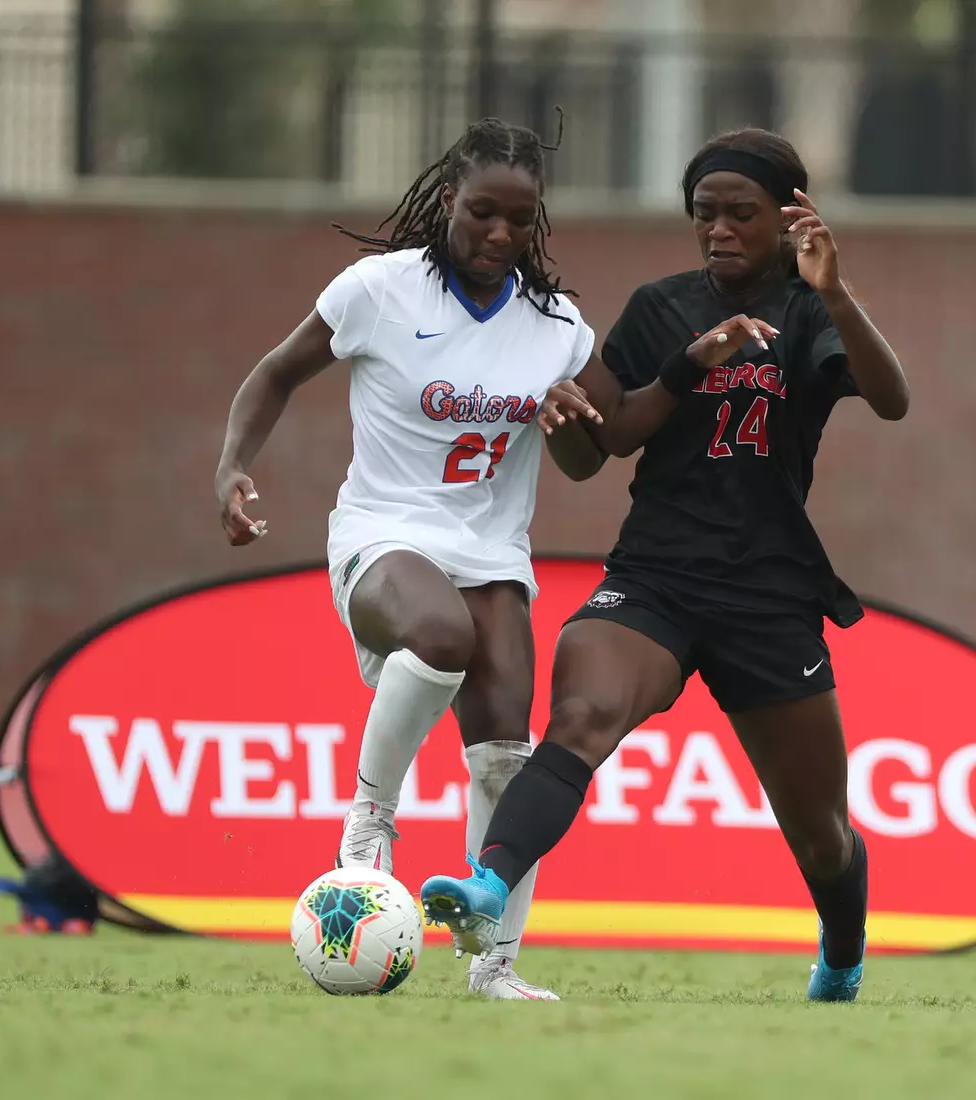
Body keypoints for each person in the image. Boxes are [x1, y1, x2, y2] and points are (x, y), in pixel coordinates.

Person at [417, 128, 911, 1003]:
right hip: (655, 575)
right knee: (582, 715)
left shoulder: (808, 310)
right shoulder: (660, 308)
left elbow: (892, 398)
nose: (718, 229)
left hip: (769, 591)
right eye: (704, 214)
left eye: (740, 214)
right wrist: (564, 416)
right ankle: (487, 884)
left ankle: (840, 956)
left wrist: (837, 295)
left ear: (791, 217)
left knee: (822, 835)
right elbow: (599, 445)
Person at [213, 116, 603, 1002]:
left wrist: (571, 420)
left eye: (518, 219)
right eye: (480, 214)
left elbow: (587, 460)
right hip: (382, 535)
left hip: (494, 551)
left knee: (508, 754)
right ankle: (369, 820)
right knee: (441, 631)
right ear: (447, 202)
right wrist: (233, 466)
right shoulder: (378, 291)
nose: (498, 236)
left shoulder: (557, 325)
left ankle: (492, 967)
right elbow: (275, 373)